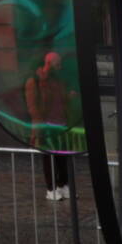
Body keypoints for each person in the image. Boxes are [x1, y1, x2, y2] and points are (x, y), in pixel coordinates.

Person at [25, 52, 74, 201]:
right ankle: (51, 188)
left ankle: (62, 184)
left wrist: (68, 96)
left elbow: (60, 100)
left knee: (63, 156)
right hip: (46, 126)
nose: (60, 67)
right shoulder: (34, 82)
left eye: (60, 64)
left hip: (61, 124)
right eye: (57, 64)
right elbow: (33, 107)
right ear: (48, 64)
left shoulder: (57, 80)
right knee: (49, 158)